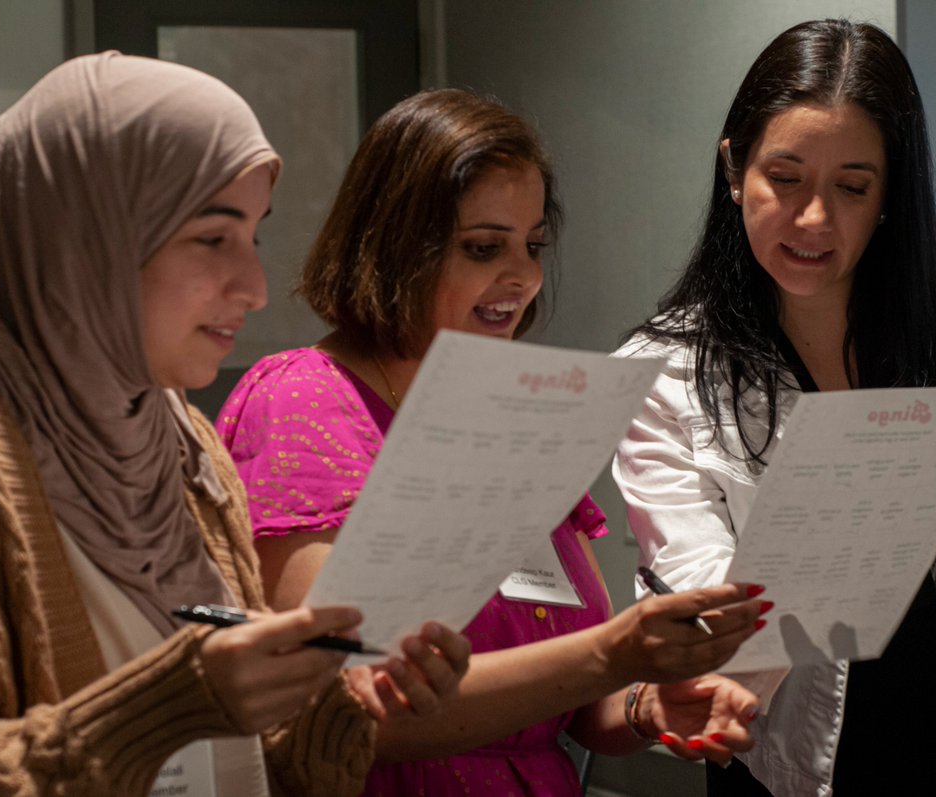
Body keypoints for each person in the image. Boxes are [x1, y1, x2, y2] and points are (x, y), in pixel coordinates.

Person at [611, 18, 936, 797]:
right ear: (734, 167)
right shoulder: (664, 372)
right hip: (799, 767)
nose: (814, 219)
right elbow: (706, 592)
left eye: (852, 187)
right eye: (784, 177)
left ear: (891, 192)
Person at [0, 52, 468, 796]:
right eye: (213, 238)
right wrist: (174, 702)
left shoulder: (186, 447)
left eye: (255, 237)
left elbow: (245, 760)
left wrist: (344, 704)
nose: (253, 288)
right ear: (87, 242)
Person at [217, 87, 771, 796]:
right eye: (484, 247)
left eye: (533, 245)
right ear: (393, 245)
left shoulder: (516, 410)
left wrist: (644, 702)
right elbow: (347, 706)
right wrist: (611, 653)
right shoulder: (303, 400)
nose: (523, 277)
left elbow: (569, 699)